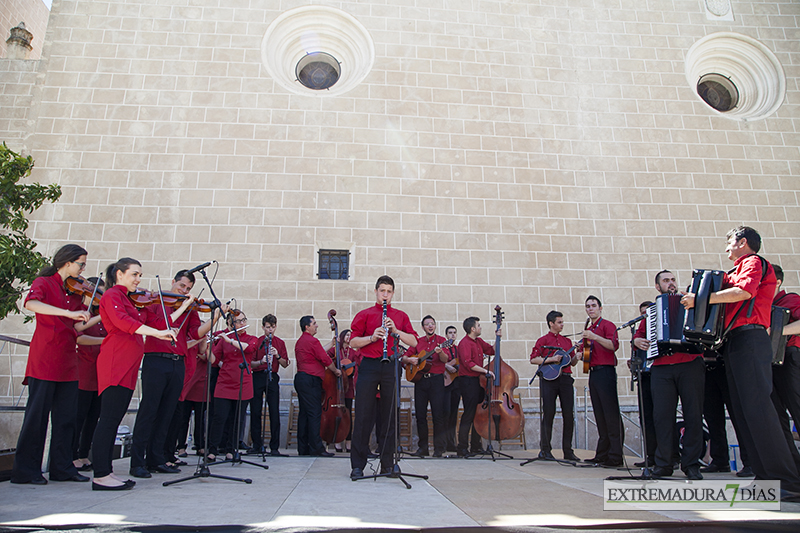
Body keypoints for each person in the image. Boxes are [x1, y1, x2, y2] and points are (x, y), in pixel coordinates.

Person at [681, 226, 800, 496]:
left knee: (759, 411)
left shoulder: (753, 262)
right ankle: (766, 477)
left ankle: (788, 482)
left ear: (742, 242)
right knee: (744, 413)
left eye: (729, 243)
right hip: (735, 342)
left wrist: (701, 299)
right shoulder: (736, 269)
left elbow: (744, 292)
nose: (726, 249)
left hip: (751, 339)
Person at [129, 270, 226, 479]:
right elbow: (156, 326)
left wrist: (215, 316)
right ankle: (137, 462)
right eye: (182, 286)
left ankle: (157, 458)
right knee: (149, 411)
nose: (184, 291)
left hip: (178, 362)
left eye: (188, 289)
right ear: (173, 282)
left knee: (167, 413)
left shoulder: (189, 309)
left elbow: (195, 333)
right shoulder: (155, 301)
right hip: (155, 359)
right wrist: (182, 306)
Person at [91, 257, 176, 490]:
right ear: (119, 274)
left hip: (128, 366)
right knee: (108, 420)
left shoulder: (132, 300)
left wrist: (173, 314)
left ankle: (106, 472)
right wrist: (158, 335)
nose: (139, 279)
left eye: (140, 275)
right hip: (115, 363)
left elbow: (156, 322)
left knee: (114, 419)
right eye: (134, 274)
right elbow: (123, 322)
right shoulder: (112, 296)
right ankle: (100, 474)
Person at [11, 244, 92, 485]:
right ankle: (26, 471)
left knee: (66, 418)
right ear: (67, 262)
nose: (83, 269)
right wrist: (67, 314)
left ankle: (62, 468)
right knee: (36, 417)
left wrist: (96, 315)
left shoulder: (77, 293)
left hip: (68, 360)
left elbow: (78, 326)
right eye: (81, 264)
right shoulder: (44, 282)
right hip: (45, 358)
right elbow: (31, 304)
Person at [634, 271, 705, 480]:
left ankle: (691, 464)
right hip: (662, 367)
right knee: (662, 417)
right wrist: (637, 341)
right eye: (666, 281)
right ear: (658, 287)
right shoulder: (653, 311)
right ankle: (664, 463)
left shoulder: (690, 301)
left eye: (673, 279)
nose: (671, 283)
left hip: (690, 363)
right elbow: (639, 335)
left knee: (693, 415)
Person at [349, 275, 418, 479]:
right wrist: (372, 337)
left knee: (390, 414)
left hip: (391, 365)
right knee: (363, 414)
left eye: (389, 291)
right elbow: (353, 342)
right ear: (376, 292)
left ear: (393, 293)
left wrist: (395, 331)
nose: (385, 295)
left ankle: (388, 463)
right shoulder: (365, 314)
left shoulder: (400, 315)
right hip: (369, 365)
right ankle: (358, 465)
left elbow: (413, 341)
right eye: (382, 291)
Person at [207, 310, 258, 461]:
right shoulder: (223, 340)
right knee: (219, 417)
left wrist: (229, 341)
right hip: (224, 382)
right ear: (230, 324)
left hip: (243, 383)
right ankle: (212, 449)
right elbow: (214, 360)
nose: (242, 324)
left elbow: (249, 348)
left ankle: (231, 448)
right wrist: (206, 345)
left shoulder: (251, 338)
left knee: (237, 418)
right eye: (238, 321)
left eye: (244, 320)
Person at [529, 310, 579, 462]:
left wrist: (577, 356)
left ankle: (568, 450)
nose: (562, 325)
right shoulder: (542, 340)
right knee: (549, 413)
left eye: (562, 322)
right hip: (549, 380)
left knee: (568, 415)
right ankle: (545, 450)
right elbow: (533, 359)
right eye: (559, 322)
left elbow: (572, 362)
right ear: (551, 323)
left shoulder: (567, 342)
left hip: (565, 379)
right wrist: (551, 359)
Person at [581, 295, 623, 467]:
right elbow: (588, 353)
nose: (590, 309)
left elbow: (613, 345)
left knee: (611, 414)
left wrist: (594, 337)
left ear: (600, 308)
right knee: (600, 414)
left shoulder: (607, 325)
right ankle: (602, 454)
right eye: (587, 306)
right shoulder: (589, 328)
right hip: (594, 373)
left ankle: (616, 456)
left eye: (593, 305)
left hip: (606, 372)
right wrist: (581, 350)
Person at [402, 315, 449, 457]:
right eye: (427, 324)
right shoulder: (417, 342)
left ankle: (439, 448)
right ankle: (423, 448)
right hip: (420, 381)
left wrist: (440, 353)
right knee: (420, 415)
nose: (430, 326)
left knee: (437, 415)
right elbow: (404, 357)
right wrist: (410, 359)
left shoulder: (442, 341)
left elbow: (446, 359)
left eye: (432, 324)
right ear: (423, 327)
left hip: (436, 381)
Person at [72, 277, 107, 472]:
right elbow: (80, 338)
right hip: (84, 372)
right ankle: (72, 455)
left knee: (94, 417)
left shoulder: (102, 315)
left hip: (100, 373)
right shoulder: (84, 315)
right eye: (97, 294)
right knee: (78, 416)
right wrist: (104, 342)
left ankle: (84, 454)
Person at [294, 315, 340, 457]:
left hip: (301, 379)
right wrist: (336, 370)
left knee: (304, 414)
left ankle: (303, 448)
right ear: (307, 327)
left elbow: (318, 351)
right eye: (314, 323)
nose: (317, 325)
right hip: (310, 380)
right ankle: (317, 448)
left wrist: (331, 344)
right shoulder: (312, 341)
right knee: (314, 414)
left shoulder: (302, 341)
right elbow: (325, 359)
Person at [770, 265, 800, 472]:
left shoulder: (790, 299)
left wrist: (777, 332)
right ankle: (794, 469)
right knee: (777, 420)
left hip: (790, 359)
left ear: (777, 282)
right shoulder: (761, 305)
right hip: (769, 366)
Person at [456, 316, 497, 457]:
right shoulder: (464, 343)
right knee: (469, 413)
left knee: (478, 413)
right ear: (472, 328)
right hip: (468, 381)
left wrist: (498, 337)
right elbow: (469, 364)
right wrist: (486, 371)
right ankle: (462, 448)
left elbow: (492, 350)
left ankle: (476, 446)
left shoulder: (478, 341)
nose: (480, 328)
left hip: (478, 381)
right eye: (478, 325)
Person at [250, 314, 290, 456]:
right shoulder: (257, 342)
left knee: (274, 411)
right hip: (258, 376)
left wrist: (277, 355)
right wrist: (261, 361)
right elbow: (251, 364)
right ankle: (257, 445)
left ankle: (274, 447)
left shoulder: (280, 343)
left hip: (272, 377)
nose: (270, 330)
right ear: (263, 327)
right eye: (268, 327)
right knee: (255, 411)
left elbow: (285, 364)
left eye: (273, 327)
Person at [629, 300, 656, 468]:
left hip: (657, 374)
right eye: (642, 314)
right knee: (646, 417)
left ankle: (670, 456)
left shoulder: (657, 330)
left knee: (660, 416)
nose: (645, 316)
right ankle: (651, 455)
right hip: (643, 376)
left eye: (648, 313)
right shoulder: (639, 333)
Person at [327, 328, 358, 453]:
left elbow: (358, 363)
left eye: (351, 335)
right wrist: (335, 368)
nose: (349, 337)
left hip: (348, 386)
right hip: (336, 385)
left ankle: (349, 441)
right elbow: (325, 358)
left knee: (348, 414)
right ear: (342, 336)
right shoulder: (335, 350)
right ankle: (337, 441)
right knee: (337, 414)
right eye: (347, 335)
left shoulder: (353, 352)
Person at [442, 326, 462, 453]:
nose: (452, 335)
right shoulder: (443, 348)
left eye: (454, 333)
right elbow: (437, 361)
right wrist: (447, 366)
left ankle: (451, 443)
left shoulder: (458, 349)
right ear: (446, 335)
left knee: (454, 413)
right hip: (445, 382)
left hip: (457, 383)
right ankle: (443, 443)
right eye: (450, 333)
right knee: (446, 413)